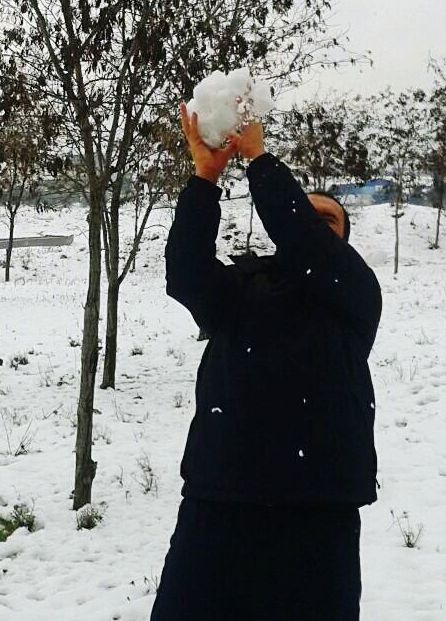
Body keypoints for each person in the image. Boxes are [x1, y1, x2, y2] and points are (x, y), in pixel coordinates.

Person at [150, 104, 383, 621]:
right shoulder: (243, 287)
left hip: (318, 506)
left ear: (343, 241)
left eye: (329, 221)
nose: (316, 228)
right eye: (310, 216)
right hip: (221, 497)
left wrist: (258, 157)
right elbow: (185, 273)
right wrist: (204, 180)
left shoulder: (355, 294)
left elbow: (305, 243)